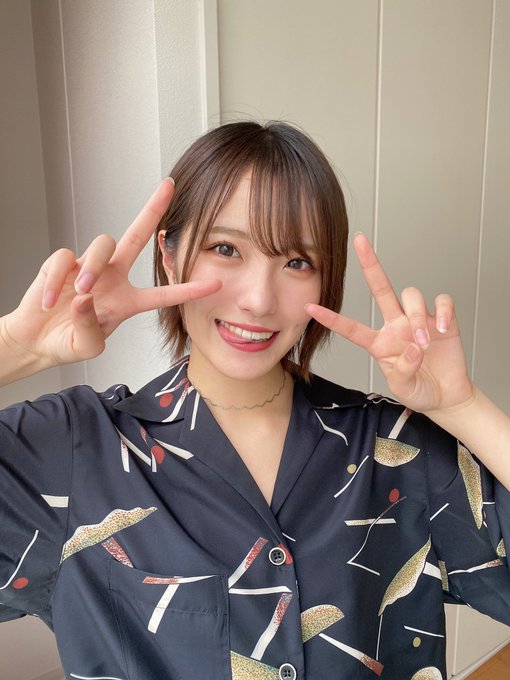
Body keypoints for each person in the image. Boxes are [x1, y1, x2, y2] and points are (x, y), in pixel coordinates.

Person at [0, 121, 509, 680]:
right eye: (225, 249)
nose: (259, 299)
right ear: (169, 254)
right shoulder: (74, 448)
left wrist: (462, 407)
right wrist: (17, 349)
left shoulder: (395, 447)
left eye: (297, 262)